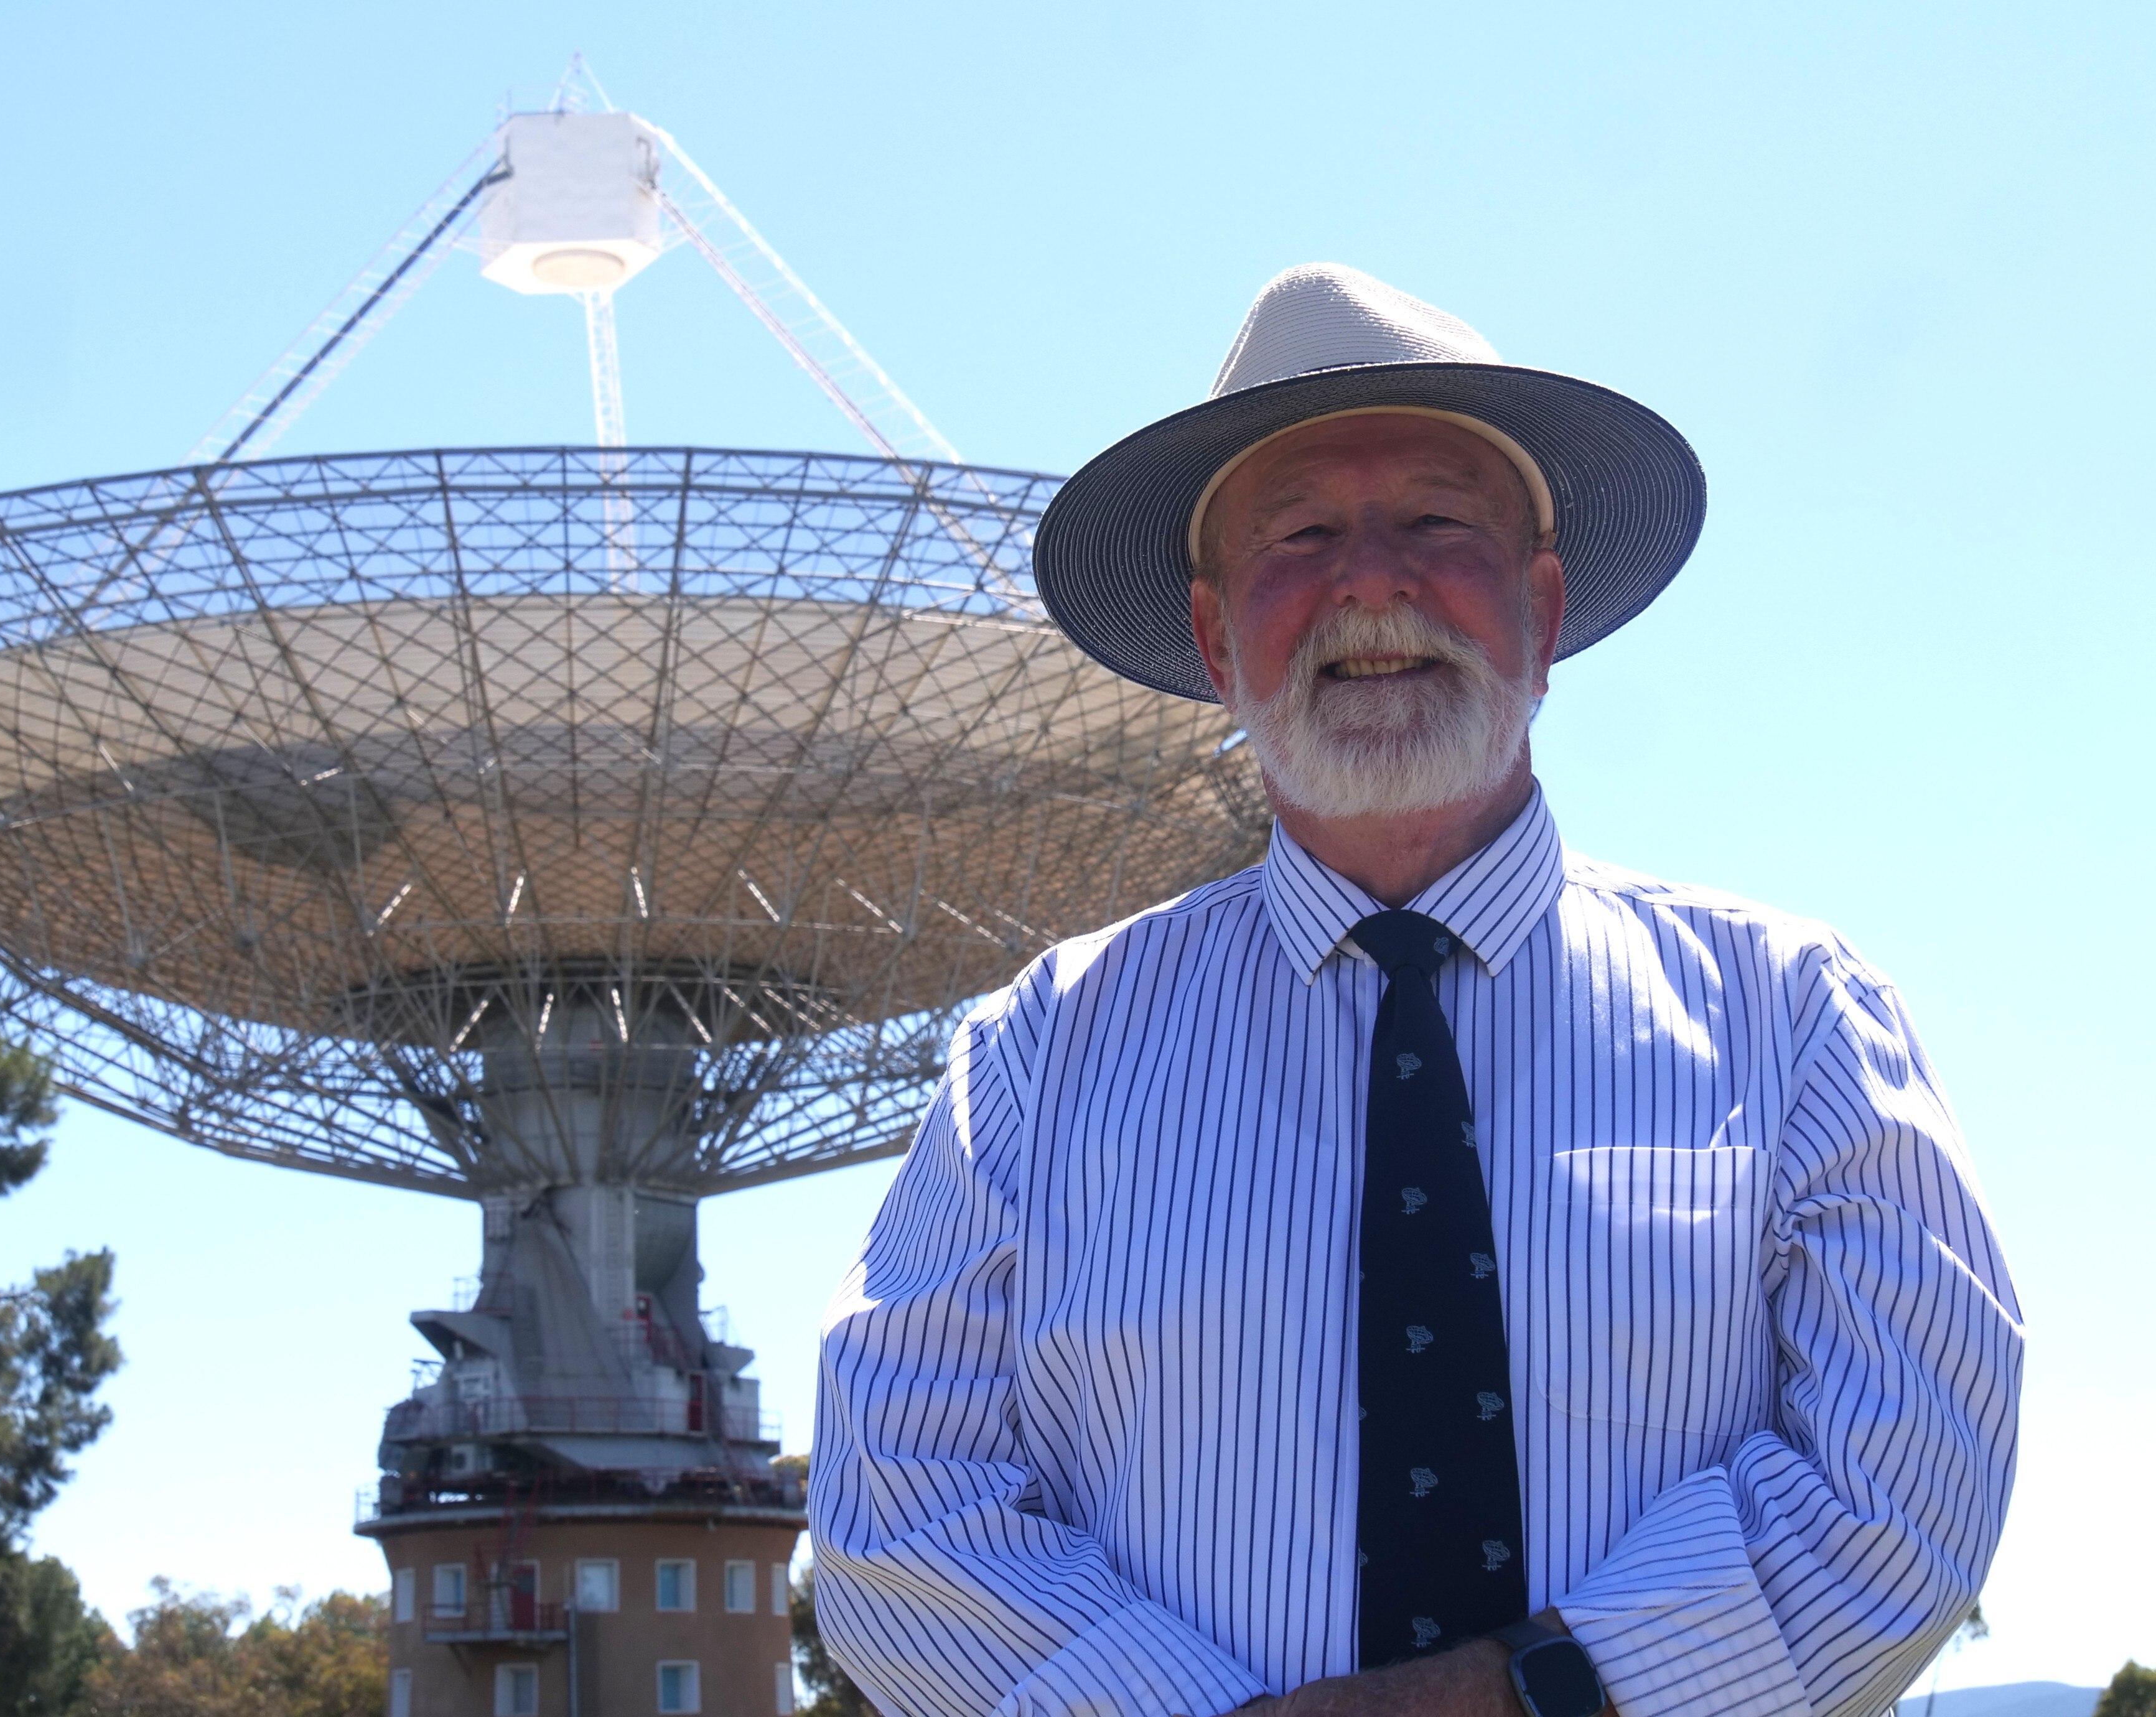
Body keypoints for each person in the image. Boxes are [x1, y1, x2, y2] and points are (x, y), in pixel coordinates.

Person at [806, 263, 2022, 1717]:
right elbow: (897, 1509)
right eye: (1300, 532)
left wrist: (1528, 1698)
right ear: (1212, 641)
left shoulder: (1795, 1016)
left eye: (1437, 523)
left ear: (1544, 611)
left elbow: (1909, 1467)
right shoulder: (1033, 1062)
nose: (1369, 578)